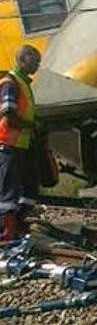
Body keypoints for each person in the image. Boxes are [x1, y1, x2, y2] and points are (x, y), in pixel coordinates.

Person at [0, 45, 41, 241]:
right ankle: (6, 233)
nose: (38, 65)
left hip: (20, 144)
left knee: (27, 189)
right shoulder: (11, 84)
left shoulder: (22, 83)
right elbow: (9, 115)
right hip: (9, 144)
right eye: (35, 61)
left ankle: (16, 224)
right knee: (8, 191)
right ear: (22, 60)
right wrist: (31, 125)